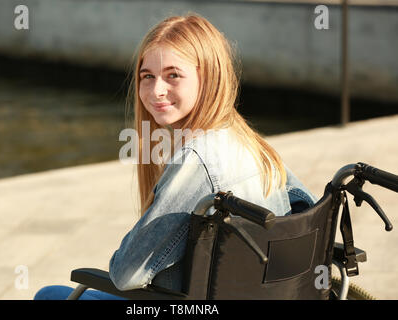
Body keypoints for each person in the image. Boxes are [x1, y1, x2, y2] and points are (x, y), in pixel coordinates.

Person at [34, 13, 316, 300]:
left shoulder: (198, 159)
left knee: (51, 295)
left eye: (173, 75)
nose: (157, 90)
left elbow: (126, 273)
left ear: (208, 78)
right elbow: (305, 208)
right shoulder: (250, 142)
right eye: (147, 76)